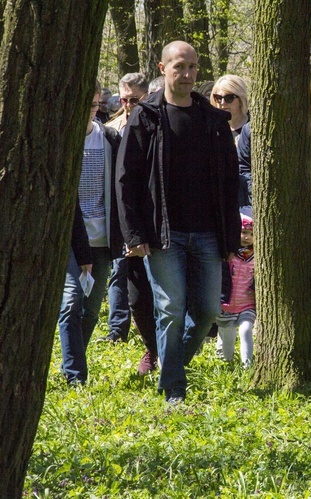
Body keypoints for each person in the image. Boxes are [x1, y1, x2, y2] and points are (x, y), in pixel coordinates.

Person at [117, 41, 240, 403]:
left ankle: (171, 364)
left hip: (208, 233)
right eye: (178, 67)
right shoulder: (146, 117)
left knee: (205, 313)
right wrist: (133, 233)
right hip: (162, 234)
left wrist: (231, 238)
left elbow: (230, 183)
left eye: (192, 67)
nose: (186, 74)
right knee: (170, 307)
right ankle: (174, 390)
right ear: (162, 68)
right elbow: (125, 179)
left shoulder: (212, 120)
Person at [58, 81, 122, 385]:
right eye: (87, 103)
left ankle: (73, 362)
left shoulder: (109, 138)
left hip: (101, 238)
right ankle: (75, 377)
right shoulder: (60, 140)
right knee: (71, 302)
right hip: (69, 238)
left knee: (92, 310)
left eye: (96, 104)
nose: (91, 109)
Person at [97, 73, 149, 345]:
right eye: (123, 99)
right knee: (118, 270)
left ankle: (147, 328)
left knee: (143, 275)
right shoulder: (113, 128)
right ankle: (117, 330)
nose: (128, 104)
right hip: (116, 209)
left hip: (143, 208)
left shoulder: (151, 125)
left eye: (134, 99)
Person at [215, 211, 255, 366]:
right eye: (244, 232)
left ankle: (247, 366)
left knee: (245, 330)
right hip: (226, 305)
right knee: (228, 336)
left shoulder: (256, 257)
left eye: (251, 234)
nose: (247, 237)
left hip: (247, 304)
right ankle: (228, 362)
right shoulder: (228, 255)